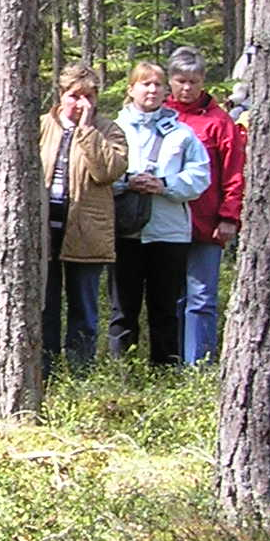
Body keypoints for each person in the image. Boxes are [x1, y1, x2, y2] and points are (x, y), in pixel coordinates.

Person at [108, 61, 212, 366]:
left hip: (169, 232)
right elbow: (97, 175)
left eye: (157, 84)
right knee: (122, 308)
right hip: (125, 232)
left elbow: (200, 177)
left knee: (165, 307)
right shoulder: (115, 130)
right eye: (145, 84)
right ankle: (121, 372)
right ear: (131, 89)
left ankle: (165, 370)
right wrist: (127, 182)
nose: (151, 90)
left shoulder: (182, 134)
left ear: (166, 91)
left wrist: (164, 184)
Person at [37, 63, 128, 373]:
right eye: (75, 96)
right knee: (45, 308)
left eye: (88, 96)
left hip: (87, 231)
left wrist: (86, 130)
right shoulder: (40, 126)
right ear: (61, 95)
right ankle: (44, 373)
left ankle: (80, 373)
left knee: (84, 311)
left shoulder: (109, 130)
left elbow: (107, 171)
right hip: (44, 231)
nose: (81, 103)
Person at [163, 47, 245, 366]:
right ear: (170, 80)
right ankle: (171, 359)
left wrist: (229, 216)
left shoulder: (219, 122)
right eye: (181, 80)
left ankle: (199, 362)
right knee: (172, 296)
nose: (187, 88)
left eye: (194, 81)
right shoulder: (161, 115)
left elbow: (235, 173)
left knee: (201, 297)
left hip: (207, 223)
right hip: (166, 222)